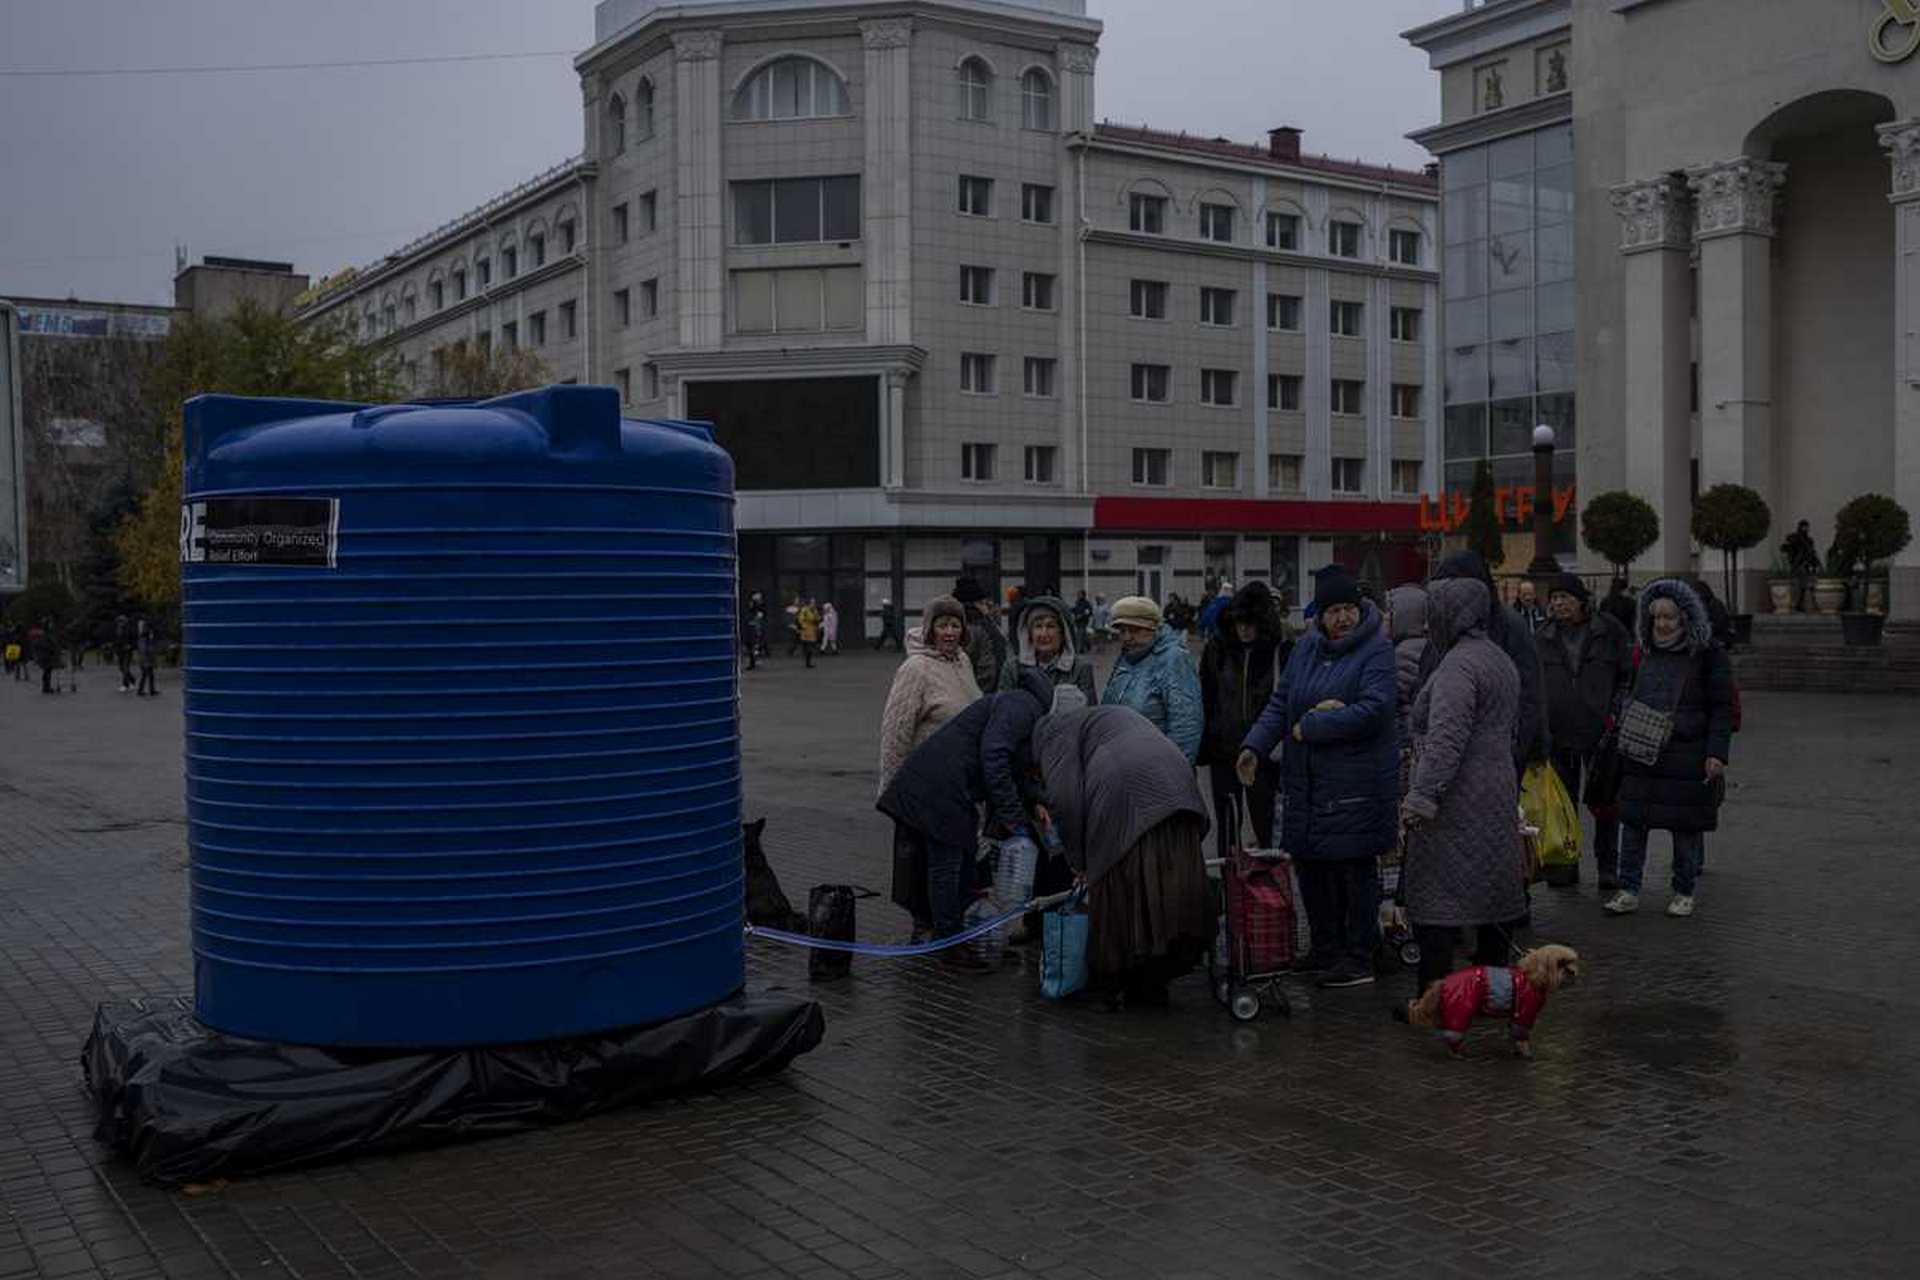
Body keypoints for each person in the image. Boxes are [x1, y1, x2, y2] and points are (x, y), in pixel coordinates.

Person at [1237, 567, 1396, 988]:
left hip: (1355, 786)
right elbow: (1280, 703)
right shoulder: (1305, 648)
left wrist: (1314, 727)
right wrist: (1253, 746)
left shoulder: (1376, 651)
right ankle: (1325, 948)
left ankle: (1360, 955)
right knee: (1311, 868)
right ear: (1319, 615)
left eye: (1349, 609)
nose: (1343, 618)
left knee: (1352, 871)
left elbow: (1375, 709)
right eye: (1334, 611)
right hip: (1306, 783)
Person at [1399, 578, 1531, 994]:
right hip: (1496, 786)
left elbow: (1446, 738)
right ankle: (1493, 993)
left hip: (1456, 797)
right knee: (1492, 893)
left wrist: (1421, 797)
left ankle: (1434, 997)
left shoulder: (1458, 665)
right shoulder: (1497, 658)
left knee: (1436, 903)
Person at [1037, 704, 1216, 1007]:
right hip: (1176, 783)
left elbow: (1064, 800)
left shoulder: (1051, 734)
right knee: (1168, 882)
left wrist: (1079, 862)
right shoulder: (1096, 718)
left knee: (1118, 886)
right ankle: (1153, 980)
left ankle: (1111, 982)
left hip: (1126, 789)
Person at [877, 672, 1052, 966]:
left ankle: (962, 937)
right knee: (947, 865)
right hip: (940, 787)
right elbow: (995, 755)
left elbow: (1014, 767)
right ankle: (950, 944)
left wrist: (1040, 800)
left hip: (938, 784)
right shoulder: (1025, 705)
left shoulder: (1015, 704)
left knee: (962, 864)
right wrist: (1015, 821)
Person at [1603, 579, 1734, 919]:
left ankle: (1683, 890)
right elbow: (1626, 689)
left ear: (1686, 619)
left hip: (1686, 754)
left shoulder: (1709, 656)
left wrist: (1716, 753)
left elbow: (1721, 707)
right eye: (1655, 617)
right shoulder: (1642, 653)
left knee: (1684, 827)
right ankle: (1629, 887)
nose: (1661, 624)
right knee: (1632, 823)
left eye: (1669, 618)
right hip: (1639, 751)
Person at [1536, 573, 1633, 889]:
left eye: (1564, 597)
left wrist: (1616, 711)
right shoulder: (1543, 635)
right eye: (1553, 598)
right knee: (1563, 804)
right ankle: (1567, 864)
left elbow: (1626, 676)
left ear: (1581, 600)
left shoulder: (1609, 631)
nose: (1558, 603)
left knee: (1605, 802)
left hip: (1601, 733)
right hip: (1559, 732)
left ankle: (1608, 865)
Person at [1421, 551, 1550, 776]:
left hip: (1498, 761)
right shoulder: (1440, 630)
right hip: (1448, 756)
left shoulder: (1509, 626)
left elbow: (1529, 694)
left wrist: (1518, 752)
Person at [1198, 581, 1290, 859]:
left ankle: (1268, 896)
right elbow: (1206, 697)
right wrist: (1205, 742)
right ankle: (1231, 895)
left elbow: (1288, 703)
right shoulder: (1218, 650)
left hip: (1264, 757)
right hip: (1224, 752)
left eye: (1251, 623)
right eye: (1240, 622)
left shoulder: (1281, 651)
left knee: (1266, 831)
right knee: (1226, 830)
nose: (1245, 629)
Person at [878, 596, 984, 792]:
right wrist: (893, 791)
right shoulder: (916, 668)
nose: (950, 632)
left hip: (962, 779)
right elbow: (896, 735)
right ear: (930, 630)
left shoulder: (963, 661)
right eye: (942, 626)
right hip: (927, 781)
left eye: (955, 625)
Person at [1101, 596, 1203, 764]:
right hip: (1123, 767)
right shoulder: (1126, 657)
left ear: (1153, 628)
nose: (1126, 638)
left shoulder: (1173, 659)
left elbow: (1186, 725)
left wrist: (1171, 774)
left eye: (1134, 630)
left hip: (1157, 772)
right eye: (1122, 630)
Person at [997, 594, 1097, 703]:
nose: (1044, 634)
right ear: (1029, 633)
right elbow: (1003, 708)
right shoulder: (1013, 669)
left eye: (1050, 626)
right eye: (1038, 626)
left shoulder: (1080, 669)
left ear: (1063, 633)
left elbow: (1089, 714)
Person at [953, 576, 1008, 693]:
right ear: (976, 604)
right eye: (983, 603)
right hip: (982, 696)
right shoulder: (983, 628)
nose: (987, 607)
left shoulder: (959, 625)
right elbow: (988, 671)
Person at [1782, 519, 1820, 613]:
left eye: (1806, 527)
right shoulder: (1795, 538)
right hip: (1797, 565)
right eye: (1803, 526)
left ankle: (1799, 605)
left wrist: (1814, 563)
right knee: (1797, 586)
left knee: (1804, 586)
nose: (1805, 529)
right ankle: (1795, 605)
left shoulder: (1808, 540)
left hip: (1804, 565)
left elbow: (1811, 553)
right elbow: (1787, 548)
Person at [32, 617, 60, 695]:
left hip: (46, 655)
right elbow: (43, 644)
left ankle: (46, 686)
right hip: (45, 655)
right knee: (47, 671)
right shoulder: (44, 635)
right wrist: (51, 648)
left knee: (47, 671)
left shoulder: (46, 634)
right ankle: (46, 687)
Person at [135, 617, 159, 697]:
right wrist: (146, 661)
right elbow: (144, 650)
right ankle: (142, 690)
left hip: (146, 659)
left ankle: (149, 690)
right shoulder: (145, 639)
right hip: (145, 660)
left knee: (148, 675)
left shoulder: (146, 639)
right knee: (145, 675)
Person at [796, 598, 822, 669]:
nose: (813, 604)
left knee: (810, 645)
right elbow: (800, 619)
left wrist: (818, 620)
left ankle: (808, 661)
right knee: (808, 645)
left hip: (812, 629)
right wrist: (803, 626)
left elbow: (817, 618)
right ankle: (808, 662)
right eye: (812, 603)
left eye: (814, 603)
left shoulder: (814, 610)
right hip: (806, 630)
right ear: (809, 603)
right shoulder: (805, 610)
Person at [113, 613, 136, 691]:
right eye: (119, 621)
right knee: (122, 668)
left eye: (122, 621)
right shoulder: (117, 630)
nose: (120, 623)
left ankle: (125, 685)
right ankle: (132, 680)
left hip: (127, 651)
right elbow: (116, 641)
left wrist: (130, 646)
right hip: (119, 651)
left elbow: (134, 640)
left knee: (125, 668)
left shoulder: (129, 629)